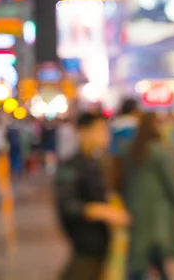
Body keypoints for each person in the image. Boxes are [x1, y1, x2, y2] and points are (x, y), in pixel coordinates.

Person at [55, 112, 130, 280]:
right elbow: (67, 205)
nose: (106, 135)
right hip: (86, 246)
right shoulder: (73, 166)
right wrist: (104, 211)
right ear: (83, 132)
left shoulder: (97, 161)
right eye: (100, 130)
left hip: (99, 246)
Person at [121, 113, 174, 280]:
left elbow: (122, 179)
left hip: (134, 207)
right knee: (154, 254)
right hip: (157, 211)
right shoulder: (158, 151)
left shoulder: (130, 149)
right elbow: (170, 181)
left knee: (140, 256)